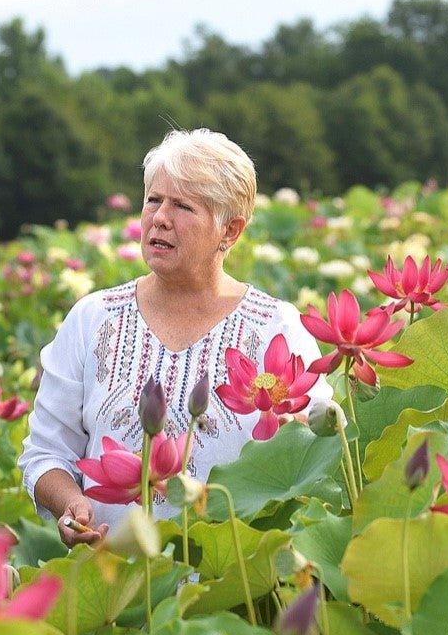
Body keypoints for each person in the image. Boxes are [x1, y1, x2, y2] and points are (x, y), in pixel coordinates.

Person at [18, 129, 333, 547]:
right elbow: (45, 454)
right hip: (115, 582)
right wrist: (71, 502)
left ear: (230, 231)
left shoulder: (276, 326)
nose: (159, 218)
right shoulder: (91, 319)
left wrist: (293, 435)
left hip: (237, 583)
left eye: (183, 206)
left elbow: (318, 454)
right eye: (153, 200)